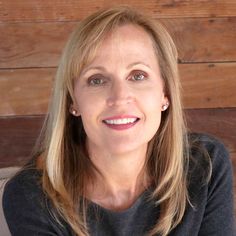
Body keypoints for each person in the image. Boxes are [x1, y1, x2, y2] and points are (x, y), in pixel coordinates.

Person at [2, 6, 235, 236]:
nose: (119, 98)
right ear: (73, 101)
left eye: (138, 75)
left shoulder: (206, 164)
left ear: (165, 94)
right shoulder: (31, 195)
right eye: (97, 80)